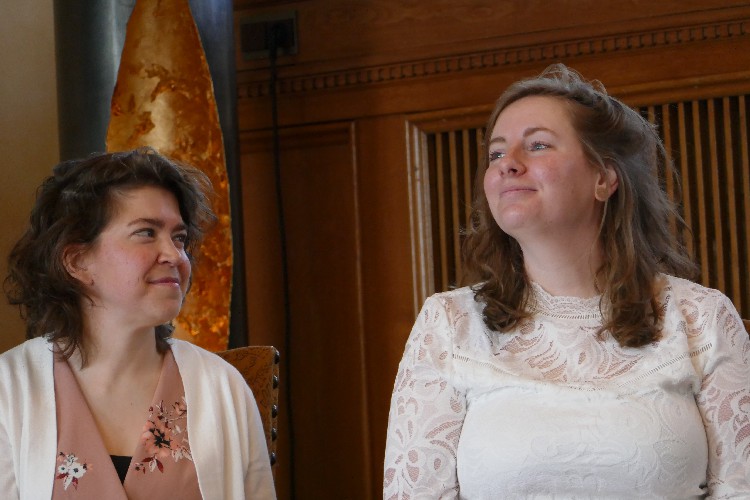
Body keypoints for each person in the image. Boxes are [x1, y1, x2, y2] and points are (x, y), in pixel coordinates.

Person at [383, 64, 750, 498]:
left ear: (604, 178)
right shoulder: (448, 324)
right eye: (496, 154)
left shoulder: (701, 318)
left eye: (537, 145)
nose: (508, 165)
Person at [0, 148, 276, 499]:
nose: (175, 255)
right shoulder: (8, 390)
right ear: (77, 261)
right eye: (146, 232)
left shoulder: (223, 387)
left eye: (179, 238)